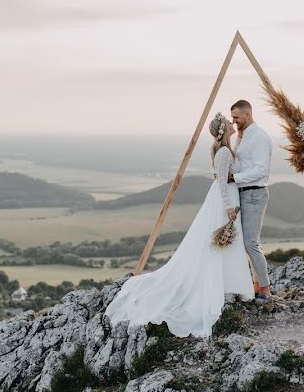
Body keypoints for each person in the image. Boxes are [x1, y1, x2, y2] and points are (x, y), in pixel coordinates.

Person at [104, 112, 255, 338]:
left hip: (227, 198)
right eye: (229, 123)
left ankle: (230, 285)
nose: (233, 125)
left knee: (228, 243)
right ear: (224, 129)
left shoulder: (225, 148)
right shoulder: (223, 152)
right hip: (225, 200)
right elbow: (222, 183)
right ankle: (226, 285)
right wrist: (228, 207)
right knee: (223, 242)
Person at [228, 99, 274, 300]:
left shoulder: (259, 137)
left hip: (255, 193)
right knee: (248, 243)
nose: (234, 121)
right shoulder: (242, 137)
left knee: (251, 243)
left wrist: (235, 178)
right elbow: (242, 164)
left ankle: (265, 290)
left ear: (248, 115)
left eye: (236, 117)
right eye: (232, 118)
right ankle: (256, 286)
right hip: (243, 193)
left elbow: (261, 170)